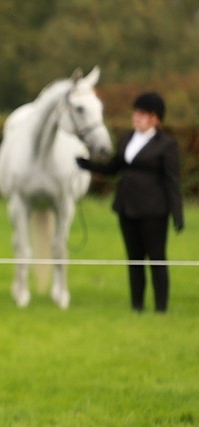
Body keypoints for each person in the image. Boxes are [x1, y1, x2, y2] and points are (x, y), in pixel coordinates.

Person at [75, 92, 184, 312]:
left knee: (156, 258)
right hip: (127, 207)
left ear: (155, 118)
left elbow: (172, 180)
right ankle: (137, 306)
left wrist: (177, 213)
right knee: (134, 259)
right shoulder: (127, 138)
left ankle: (161, 307)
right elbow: (115, 167)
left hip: (153, 211)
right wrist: (87, 165)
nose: (137, 117)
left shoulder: (166, 144)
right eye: (136, 113)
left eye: (142, 114)